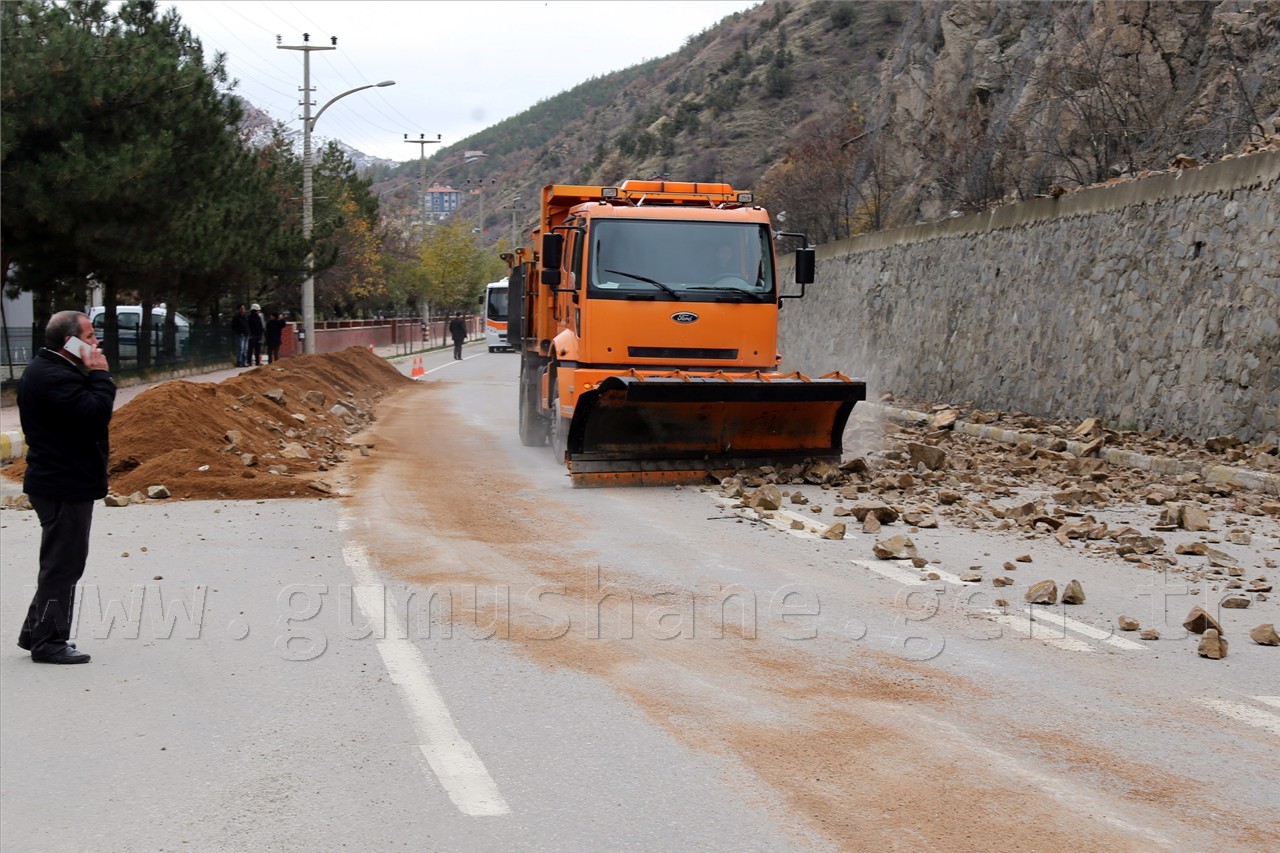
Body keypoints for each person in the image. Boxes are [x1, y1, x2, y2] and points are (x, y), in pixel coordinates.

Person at [16, 311, 116, 664]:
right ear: (68, 342)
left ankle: (35, 633)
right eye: (89, 336)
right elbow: (93, 414)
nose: (96, 343)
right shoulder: (53, 377)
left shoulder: (56, 370)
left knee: (60, 562)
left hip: (62, 481)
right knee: (63, 565)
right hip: (62, 485)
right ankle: (49, 642)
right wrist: (101, 374)